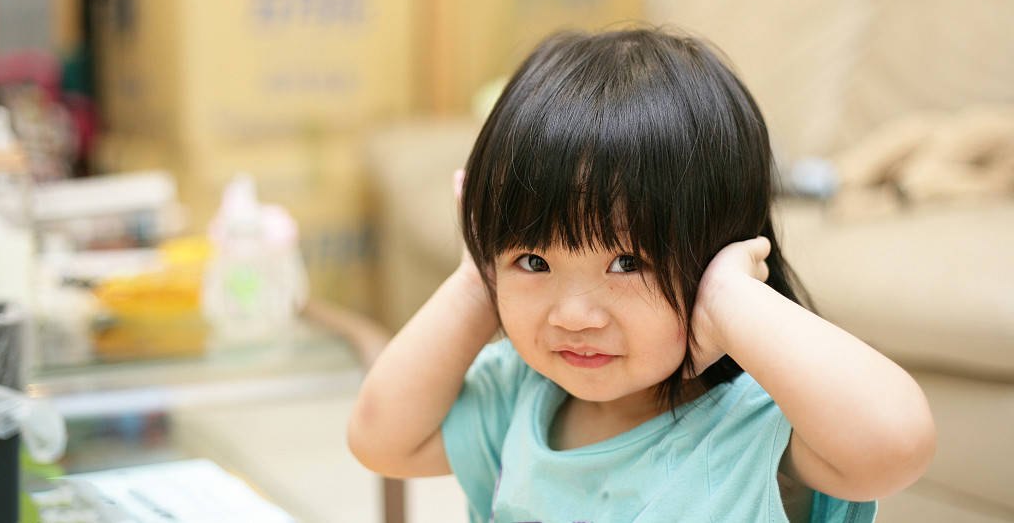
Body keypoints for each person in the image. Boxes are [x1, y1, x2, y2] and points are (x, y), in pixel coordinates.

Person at [348, 28, 936, 522]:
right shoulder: (518, 398)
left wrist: (733, 300)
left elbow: (895, 445)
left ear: (717, 255)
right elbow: (380, 440)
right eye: (534, 262)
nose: (573, 315)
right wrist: (479, 276)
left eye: (627, 263)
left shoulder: (759, 424)